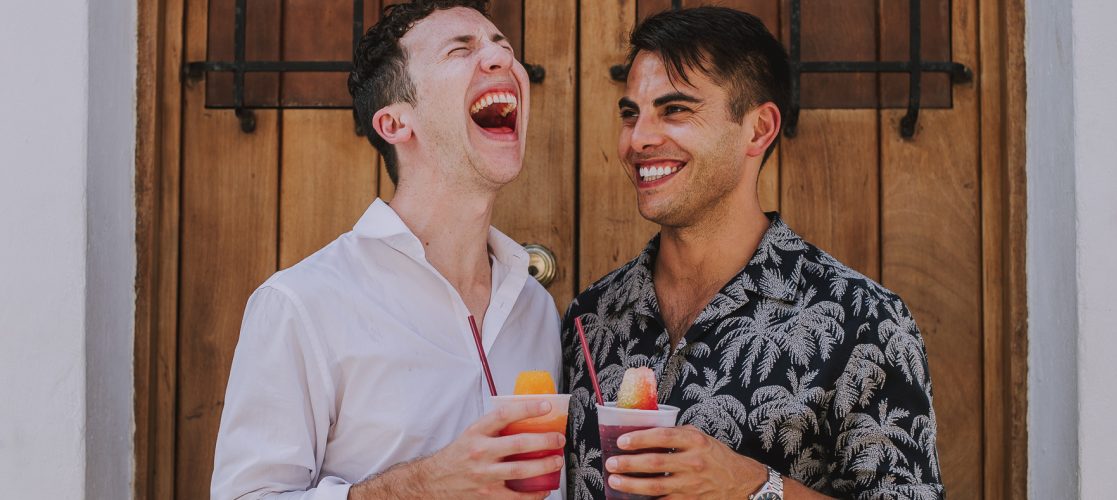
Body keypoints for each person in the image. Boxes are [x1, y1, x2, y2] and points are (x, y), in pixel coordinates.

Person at [561, 6, 944, 499]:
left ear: (759, 129)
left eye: (675, 109)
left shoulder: (864, 323)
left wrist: (753, 486)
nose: (639, 139)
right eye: (631, 113)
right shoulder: (589, 319)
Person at [211, 1, 565, 498]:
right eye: (460, 49)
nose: (500, 59)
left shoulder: (537, 310)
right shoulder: (301, 305)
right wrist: (418, 486)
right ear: (395, 124)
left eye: (503, 47)